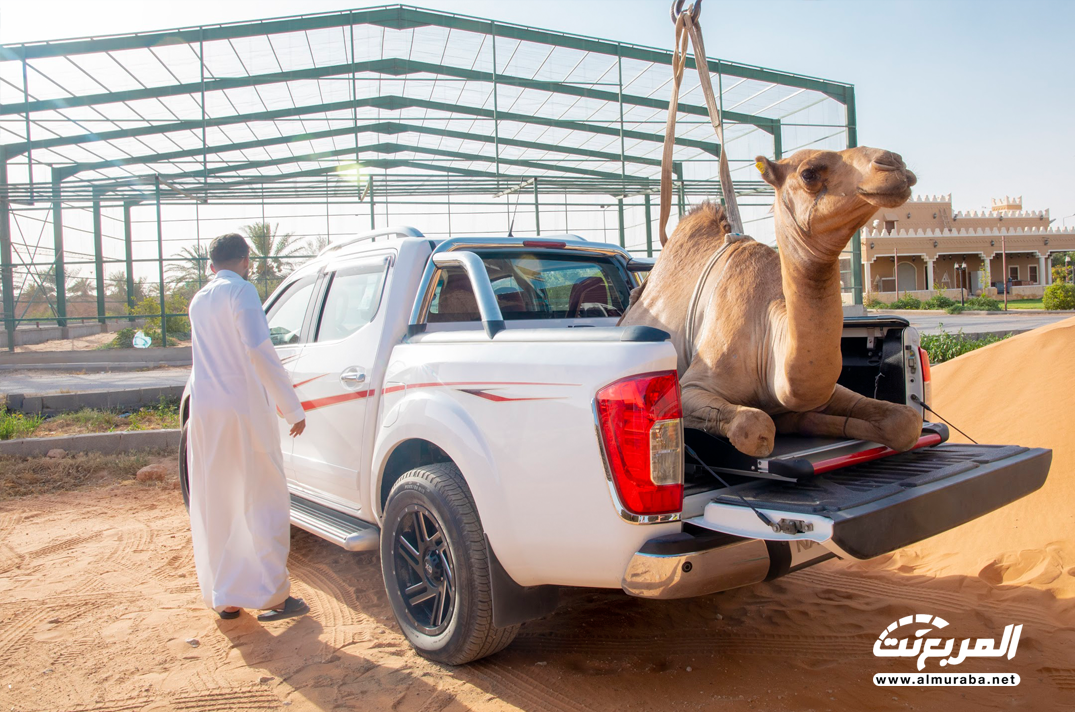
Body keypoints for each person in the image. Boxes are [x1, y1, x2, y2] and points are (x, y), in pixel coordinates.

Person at [186, 233, 310, 622]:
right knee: (264, 498)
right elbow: (259, 349)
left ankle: (225, 598)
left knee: (217, 500)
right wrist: (291, 407)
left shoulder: (198, 299)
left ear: (210, 264)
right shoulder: (241, 292)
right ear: (247, 260)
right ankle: (273, 597)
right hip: (242, 410)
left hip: (205, 412)